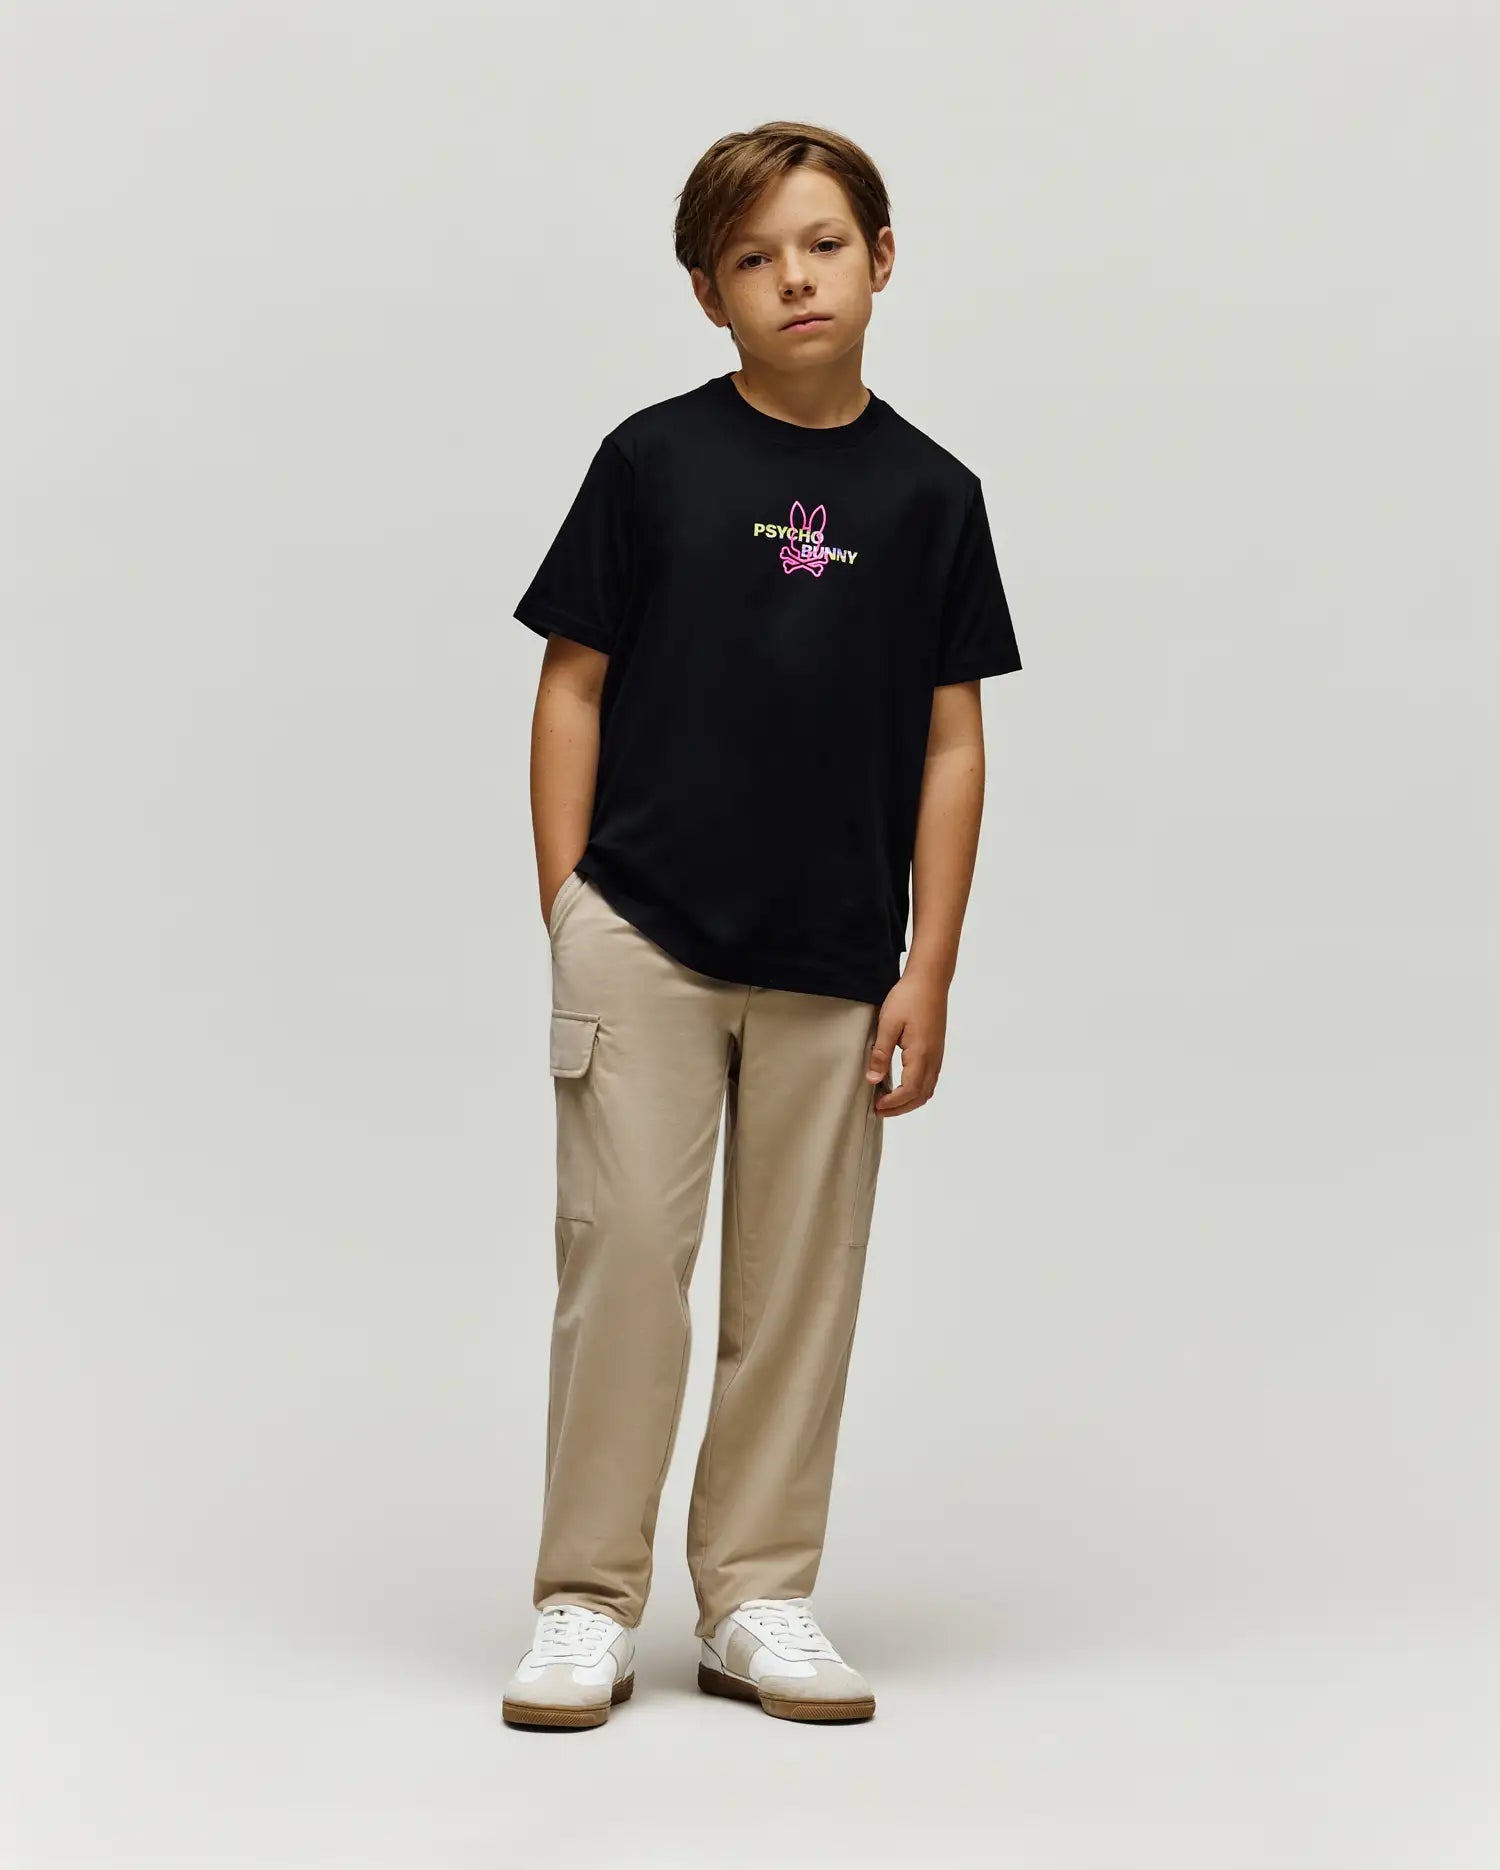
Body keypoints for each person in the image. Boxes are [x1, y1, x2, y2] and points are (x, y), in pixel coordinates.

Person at [502, 120, 1022, 1731]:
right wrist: (570, 905)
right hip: (644, 933)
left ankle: (755, 1596)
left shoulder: (933, 496)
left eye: (822, 243)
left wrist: (930, 966)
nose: (794, 277)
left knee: (800, 1283)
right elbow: (571, 685)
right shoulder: (653, 461)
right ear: (708, 292)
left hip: (838, 956)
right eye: (752, 257)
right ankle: (587, 1601)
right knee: (624, 1260)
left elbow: (951, 740)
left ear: (882, 258)